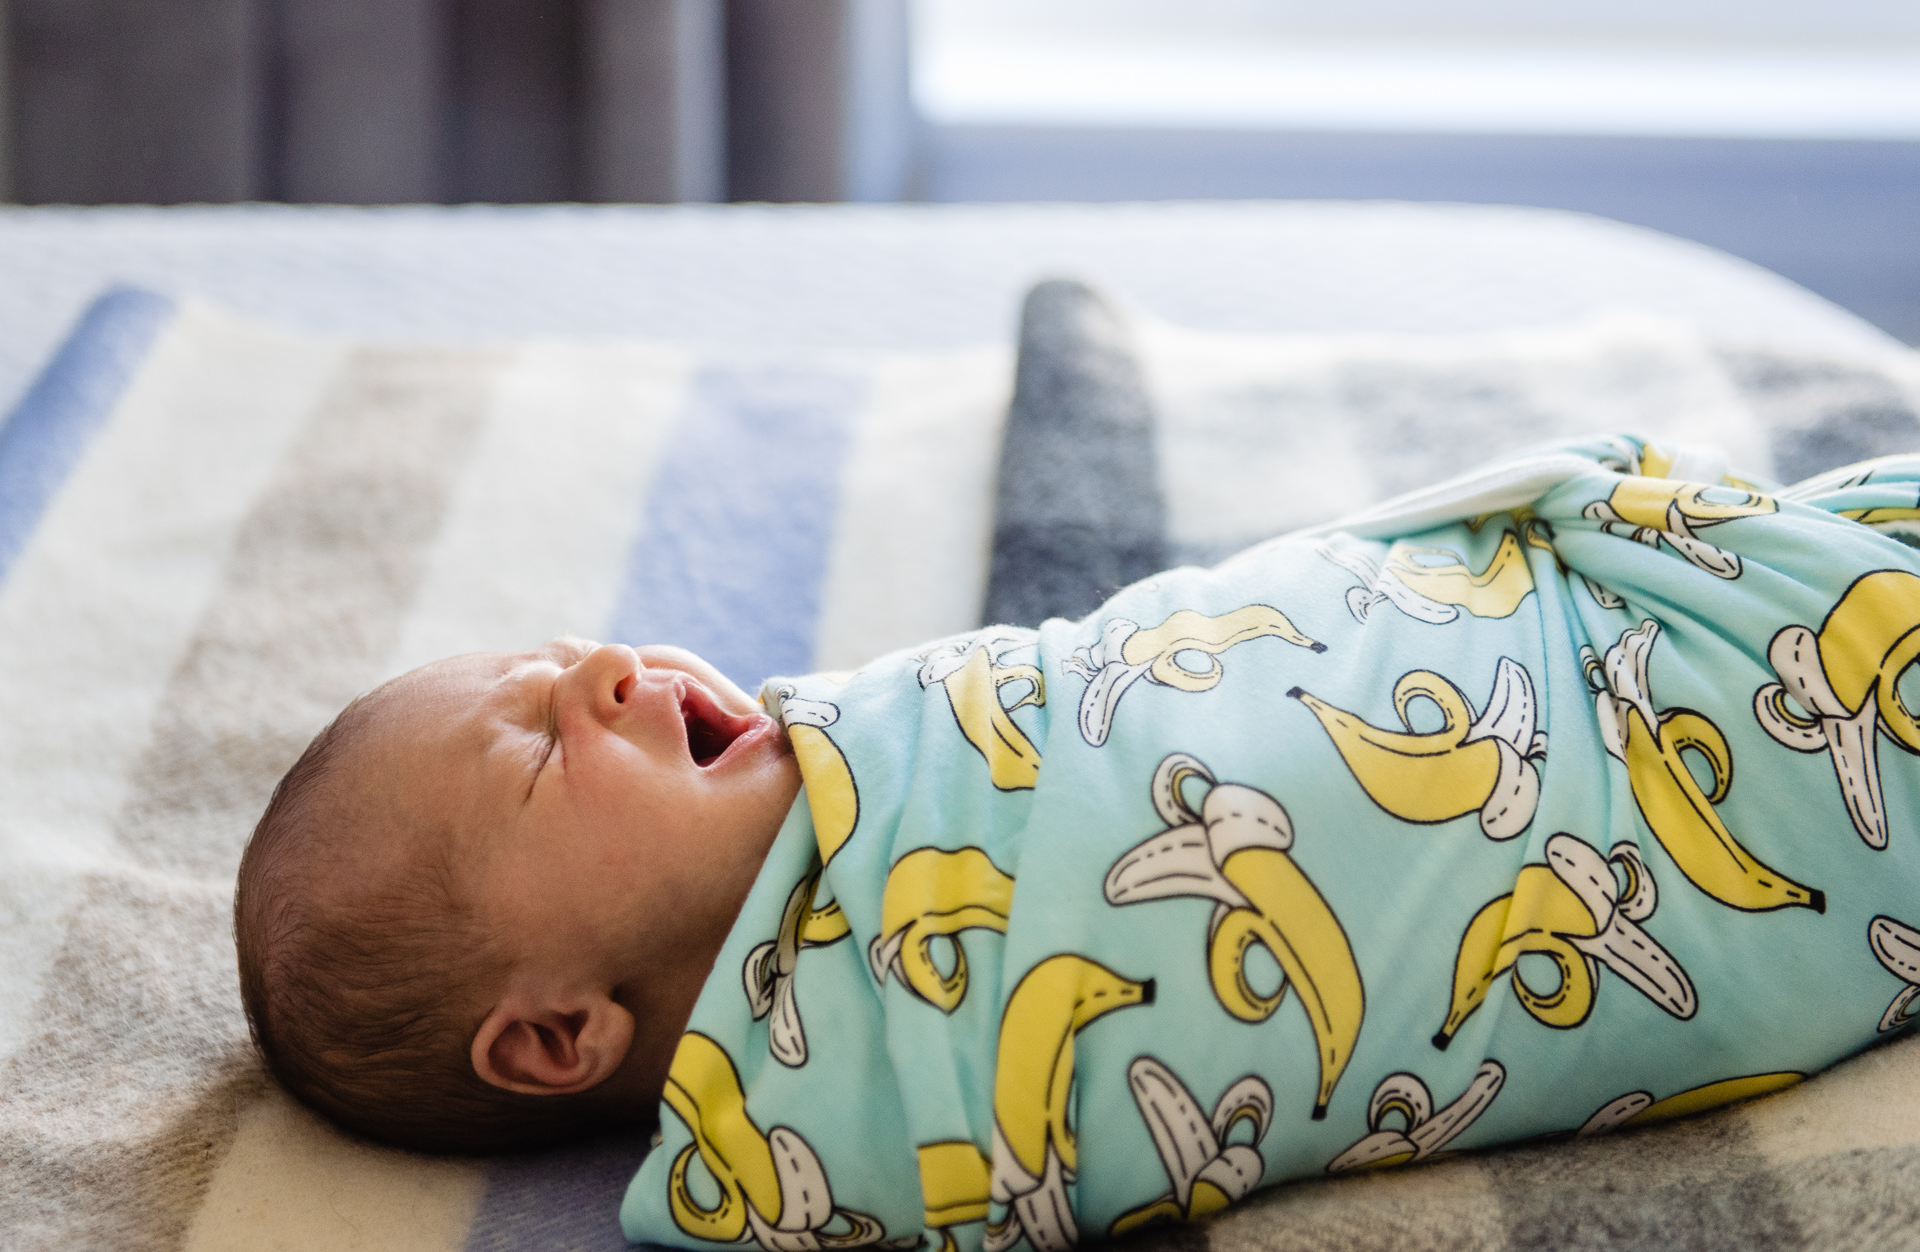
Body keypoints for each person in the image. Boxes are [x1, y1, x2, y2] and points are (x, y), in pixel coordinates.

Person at [234, 432, 1920, 1251]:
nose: (606, 664)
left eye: (561, 651)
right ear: (552, 1035)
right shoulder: (822, 1117)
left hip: (1608, 601)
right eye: (538, 744)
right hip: (1696, 790)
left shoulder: (853, 737)